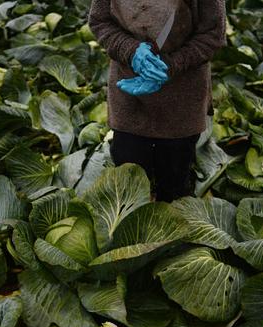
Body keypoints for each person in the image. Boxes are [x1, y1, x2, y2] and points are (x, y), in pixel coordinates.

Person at [88, 0, 227, 202]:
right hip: (129, 92)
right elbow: (99, 21)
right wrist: (131, 51)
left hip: (182, 98)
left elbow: (213, 35)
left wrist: (170, 66)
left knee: (174, 183)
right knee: (129, 181)